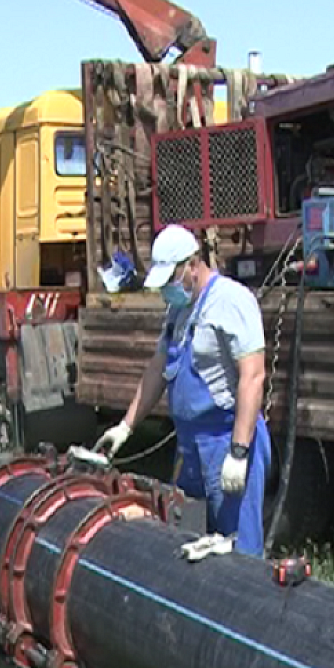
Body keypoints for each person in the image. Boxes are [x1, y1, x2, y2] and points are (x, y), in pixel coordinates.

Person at [94, 225, 270, 556]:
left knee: (238, 550)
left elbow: (253, 377)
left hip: (225, 439)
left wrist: (239, 451)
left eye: (170, 280)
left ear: (192, 264)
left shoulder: (232, 301)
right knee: (187, 541)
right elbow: (158, 368)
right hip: (190, 446)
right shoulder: (178, 310)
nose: (166, 292)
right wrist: (126, 426)